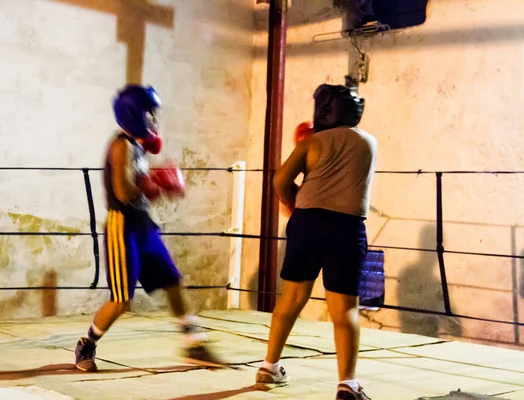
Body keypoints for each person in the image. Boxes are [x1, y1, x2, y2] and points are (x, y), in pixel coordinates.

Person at [74, 85, 221, 372]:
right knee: (121, 301)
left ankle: (195, 344)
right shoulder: (121, 146)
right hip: (122, 227)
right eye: (149, 112)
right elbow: (124, 189)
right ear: (134, 113)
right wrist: (158, 185)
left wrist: (154, 180)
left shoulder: (138, 145)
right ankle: (86, 343)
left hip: (143, 225)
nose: (153, 118)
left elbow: (137, 184)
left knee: (173, 281)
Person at [255, 82, 377, 400]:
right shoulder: (368, 142)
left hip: (307, 223)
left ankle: (269, 366)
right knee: (344, 308)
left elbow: (280, 180)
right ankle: (347, 384)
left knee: (291, 298)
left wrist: (297, 202)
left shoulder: (312, 142)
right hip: (346, 227)